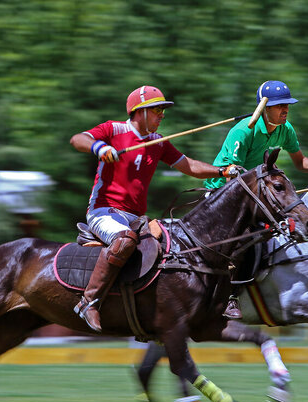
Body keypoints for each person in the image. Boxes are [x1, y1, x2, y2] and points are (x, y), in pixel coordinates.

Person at [70, 85, 239, 332]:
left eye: (162, 110)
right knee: (125, 240)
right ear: (139, 112)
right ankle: (88, 302)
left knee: (171, 246)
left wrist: (222, 171)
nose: (162, 115)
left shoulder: (158, 142)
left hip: (136, 218)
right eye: (157, 110)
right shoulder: (113, 129)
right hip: (104, 211)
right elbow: (78, 139)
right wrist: (100, 147)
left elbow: (189, 166)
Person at [204, 80, 308, 319]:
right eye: (280, 105)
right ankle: (230, 297)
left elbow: (300, 162)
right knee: (246, 240)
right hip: (222, 193)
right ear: (264, 108)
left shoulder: (286, 129)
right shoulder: (243, 131)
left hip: (257, 197)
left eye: (287, 105)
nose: (286, 110)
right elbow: (232, 178)